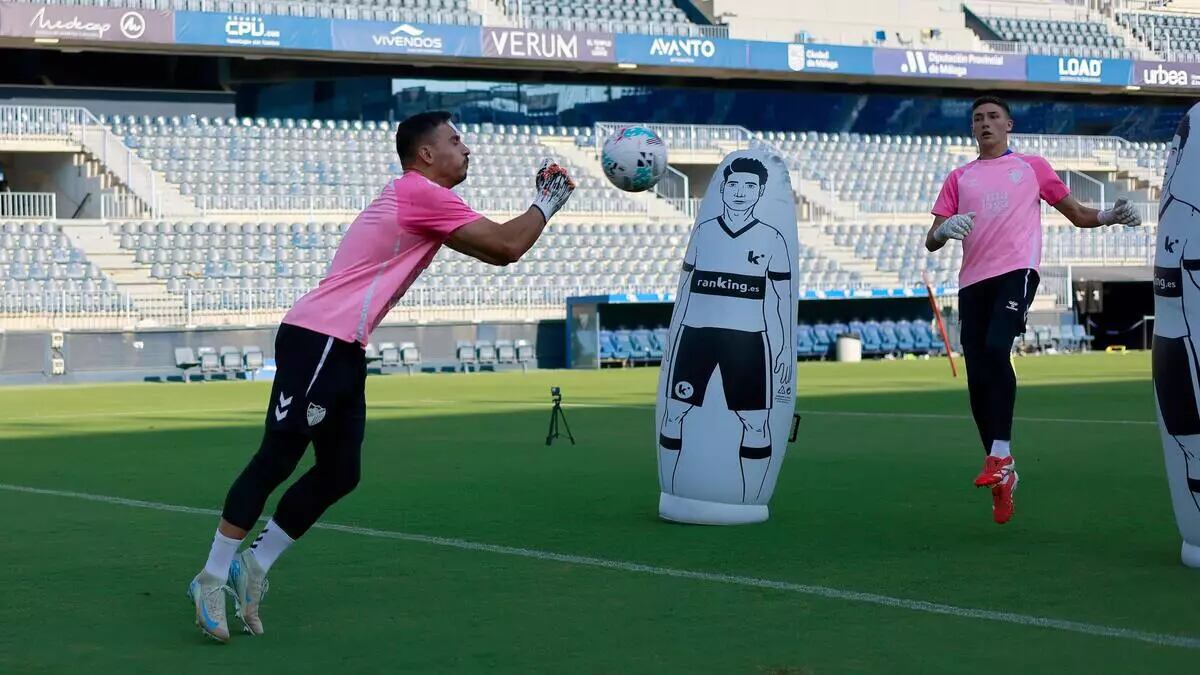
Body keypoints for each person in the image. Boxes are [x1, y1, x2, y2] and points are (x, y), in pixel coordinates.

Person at [187, 111, 575, 642]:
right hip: (318, 335)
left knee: (341, 471)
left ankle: (254, 564)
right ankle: (210, 576)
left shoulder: (427, 202)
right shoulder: (421, 193)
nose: (468, 150)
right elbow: (507, 246)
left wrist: (539, 209)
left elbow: (497, 250)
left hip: (344, 344)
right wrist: (547, 203)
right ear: (425, 155)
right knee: (277, 456)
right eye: (456, 140)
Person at [926, 95, 1141, 525]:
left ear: (1009, 125)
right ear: (972, 129)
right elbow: (931, 238)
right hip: (972, 281)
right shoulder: (958, 176)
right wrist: (945, 230)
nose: (984, 123)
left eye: (992, 117)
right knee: (976, 377)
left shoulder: (1032, 167)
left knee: (995, 347)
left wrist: (1111, 216)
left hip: (1016, 271)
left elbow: (1078, 214)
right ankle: (1001, 470)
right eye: (977, 119)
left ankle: (1001, 455)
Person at [658, 157, 792, 503]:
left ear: (760, 192)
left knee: (755, 422)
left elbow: (781, 300)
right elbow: (686, 289)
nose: (740, 192)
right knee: (675, 412)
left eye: (749, 186)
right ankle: (674, 492)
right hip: (696, 336)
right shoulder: (704, 232)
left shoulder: (772, 238)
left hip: (747, 341)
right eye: (733, 185)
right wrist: (674, 337)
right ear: (723, 188)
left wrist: (783, 349)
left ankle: (749, 498)